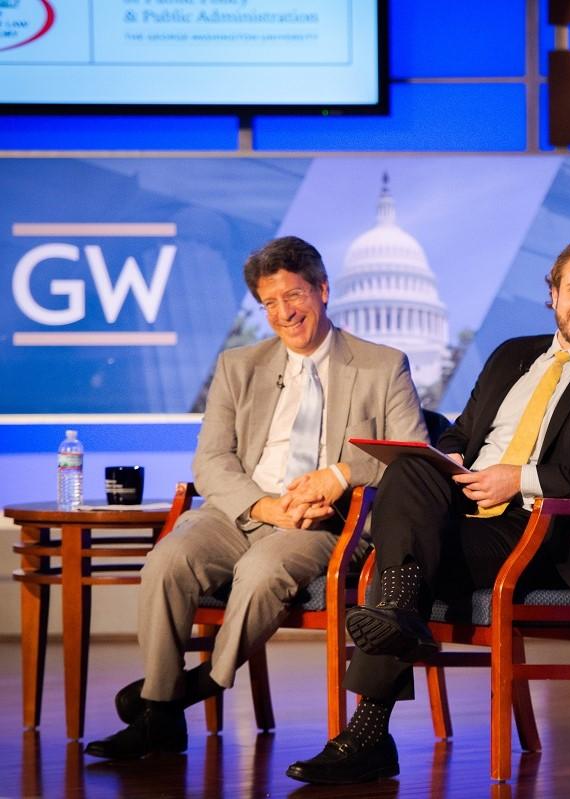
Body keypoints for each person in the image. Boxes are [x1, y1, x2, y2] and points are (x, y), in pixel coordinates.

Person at [286, 235, 570, 785]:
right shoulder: (511, 353)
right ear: (554, 293)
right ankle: (396, 620)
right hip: (460, 509)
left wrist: (518, 478)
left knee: (401, 568)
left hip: (537, 525)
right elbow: (465, 436)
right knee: (411, 465)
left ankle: (369, 732)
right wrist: (444, 463)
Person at [86, 236, 427, 760]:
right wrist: (261, 506)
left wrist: (338, 474)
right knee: (167, 561)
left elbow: (412, 454)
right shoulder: (238, 365)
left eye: (294, 296)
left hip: (325, 522)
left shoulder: (383, 365)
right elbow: (211, 461)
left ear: (323, 290)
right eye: (270, 303)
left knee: (263, 572)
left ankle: (200, 685)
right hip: (242, 509)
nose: (284, 314)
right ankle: (160, 711)